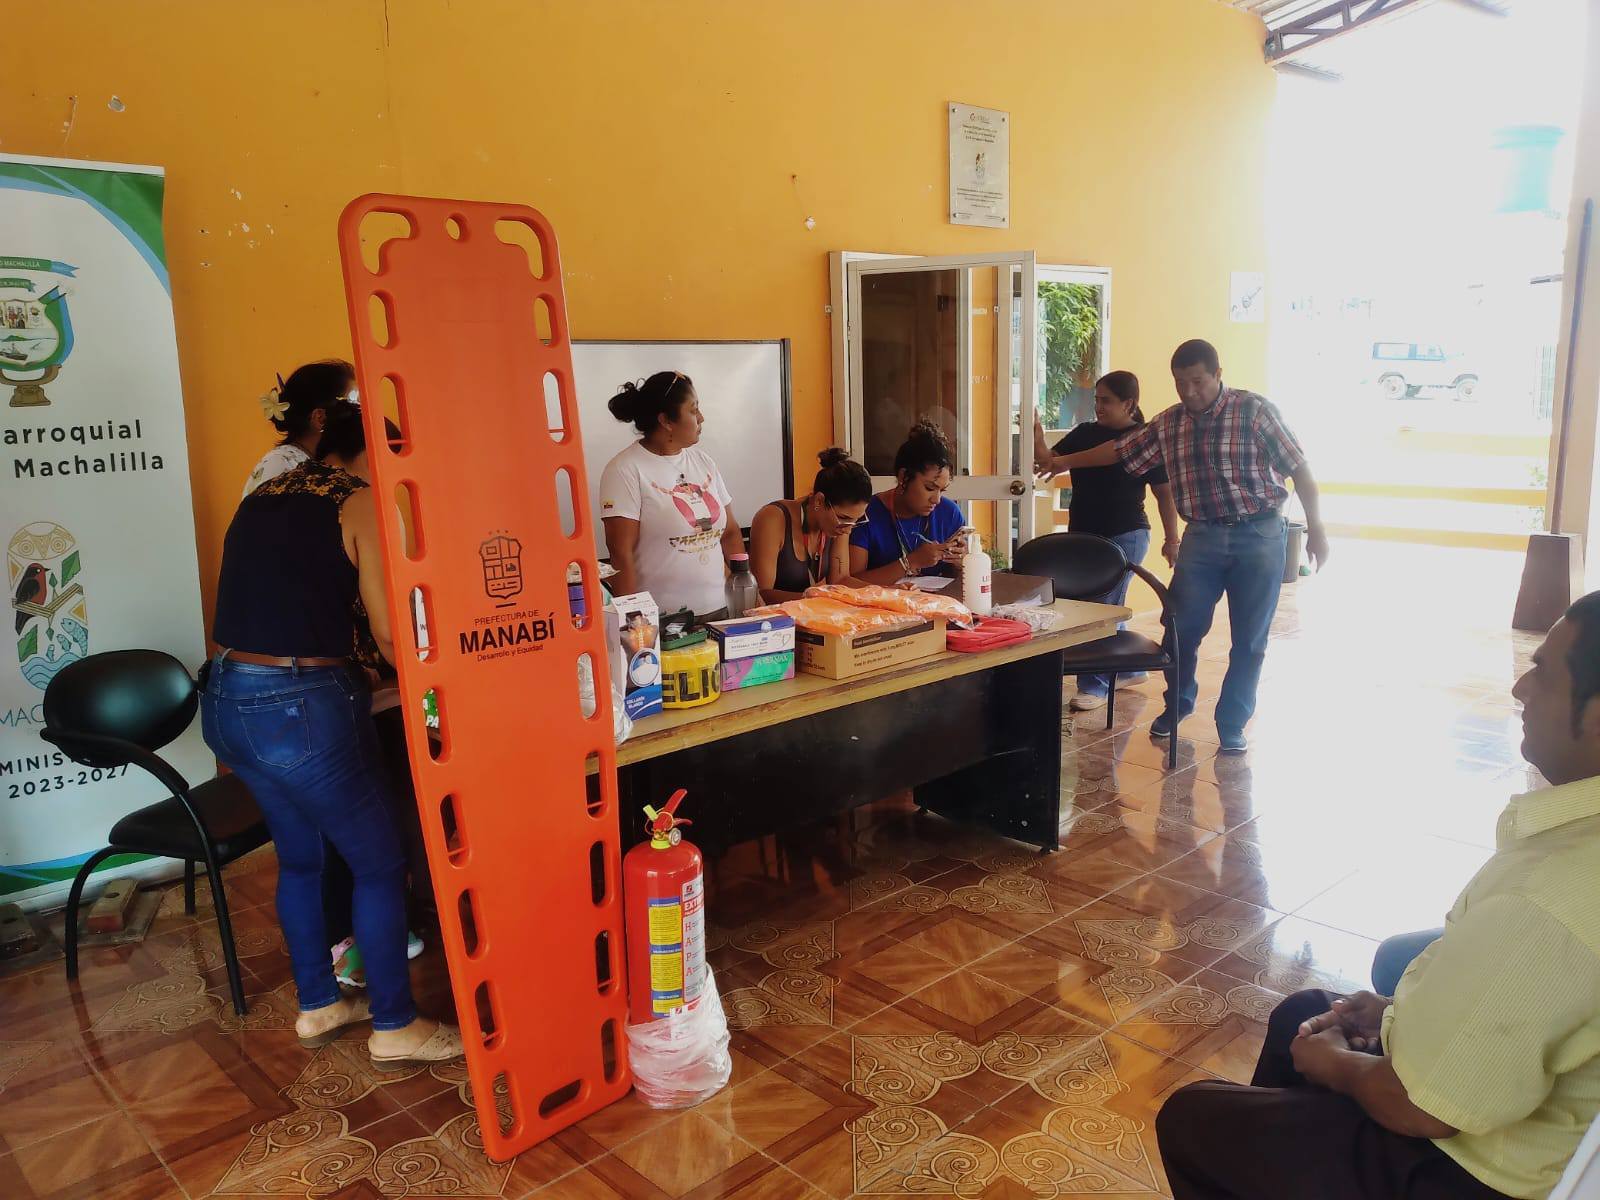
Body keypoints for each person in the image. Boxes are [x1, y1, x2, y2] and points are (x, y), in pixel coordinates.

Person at [1155, 592, 1600, 1200]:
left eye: (1543, 671)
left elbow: (1424, 1108)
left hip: (1476, 1172)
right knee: (1301, 1012)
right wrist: (1395, 1014)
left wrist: (1341, 1067)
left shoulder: (1549, 899)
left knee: (1194, 1118)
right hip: (1500, 1112)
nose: (1521, 688)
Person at [203, 401, 462, 1069]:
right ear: (374, 452)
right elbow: (390, 631)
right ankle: (396, 1024)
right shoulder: (360, 502)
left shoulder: (265, 493)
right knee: (379, 863)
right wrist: (443, 687)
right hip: (300, 708)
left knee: (302, 860)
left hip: (228, 696)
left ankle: (319, 1004)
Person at [1035, 339, 1327, 754]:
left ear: (1217, 375)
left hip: (1259, 535)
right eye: (1180, 383)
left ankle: (1232, 723)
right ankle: (1178, 704)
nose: (1189, 392)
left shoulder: (1254, 411)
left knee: (1250, 639)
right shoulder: (1169, 423)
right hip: (1202, 539)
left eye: (1198, 382)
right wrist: (1062, 461)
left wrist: (1317, 529)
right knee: (1180, 629)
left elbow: (1300, 469)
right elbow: (1117, 451)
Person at [1037, 371, 1181, 711]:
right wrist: (1036, 433)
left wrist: (1172, 539)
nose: (1098, 407)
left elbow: (1164, 495)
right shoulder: (1085, 433)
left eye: (1106, 401)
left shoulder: (1142, 440)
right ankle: (1129, 670)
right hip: (1084, 537)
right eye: (1096, 400)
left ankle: (1095, 685)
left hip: (1125, 535)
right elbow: (1048, 463)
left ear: (1129, 403)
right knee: (1104, 604)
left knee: (1101, 607)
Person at [598, 371, 746, 620]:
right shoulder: (625, 470)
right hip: (664, 620)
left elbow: (730, 533)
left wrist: (748, 595)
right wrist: (634, 622)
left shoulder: (703, 461)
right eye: (693, 410)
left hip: (722, 611)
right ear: (666, 420)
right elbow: (621, 554)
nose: (701, 417)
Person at [850, 420, 968, 587]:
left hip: (935, 602)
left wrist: (962, 563)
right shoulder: (867, 514)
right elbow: (850, 583)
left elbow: (959, 582)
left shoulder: (949, 513)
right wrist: (910, 562)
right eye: (929, 488)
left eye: (942, 490)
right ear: (903, 477)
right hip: (881, 603)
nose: (936, 499)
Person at [749, 448, 872, 603]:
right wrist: (812, 599)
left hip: (810, 611)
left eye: (856, 521)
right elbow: (760, 595)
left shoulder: (840, 526)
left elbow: (840, 580)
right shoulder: (773, 519)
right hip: (776, 616)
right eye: (843, 518)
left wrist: (887, 592)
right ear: (819, 501)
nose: (848, 529)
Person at [242, 360, 356, 498]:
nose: (363, 416)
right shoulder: (280, 466)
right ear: (320, 418)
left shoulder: (328, 464)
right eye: (355, 404)